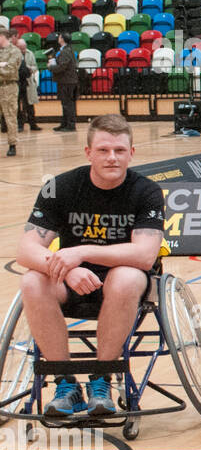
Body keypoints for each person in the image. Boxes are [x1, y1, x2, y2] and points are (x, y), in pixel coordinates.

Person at [17, 114, 165, 417]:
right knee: (32, 281)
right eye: (103, 150)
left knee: (124, 277)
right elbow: (25, 249)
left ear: (131, 153)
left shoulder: (146, 191)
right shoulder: (61, 187)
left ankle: (102, 379)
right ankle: (65, 384)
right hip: (72, 280)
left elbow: (144, 255)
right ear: (88, 153)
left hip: (124, 283)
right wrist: (68, 268)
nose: (112, 158)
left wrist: (81, 252)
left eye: (120, 151)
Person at [50, 31, 77, 132]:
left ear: (62, 39)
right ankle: (64, 123)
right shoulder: (65, 50)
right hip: (65, 81)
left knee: (68, 104)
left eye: (60, 37)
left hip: (67, 81)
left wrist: (51, 67)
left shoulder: (65, 51)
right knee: (65, 103)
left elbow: (62, 66)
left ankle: (70, 125)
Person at [0, 29, 22, 156]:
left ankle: (12, 144)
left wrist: (4, 67)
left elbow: (10, 70)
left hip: (8, 87)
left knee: (10, 117)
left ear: (3, 37)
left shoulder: (15, 51)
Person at [17, 36, 40, 132]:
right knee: (18, 105)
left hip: (28, 82)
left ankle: (33, 124)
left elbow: (35, 67)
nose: (23, 49)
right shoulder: (15, 54)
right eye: (21, 48)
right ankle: (20, 125)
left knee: (29, 104)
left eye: (24, 47)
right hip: (18, 82)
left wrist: (30, 68)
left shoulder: (30, 54)